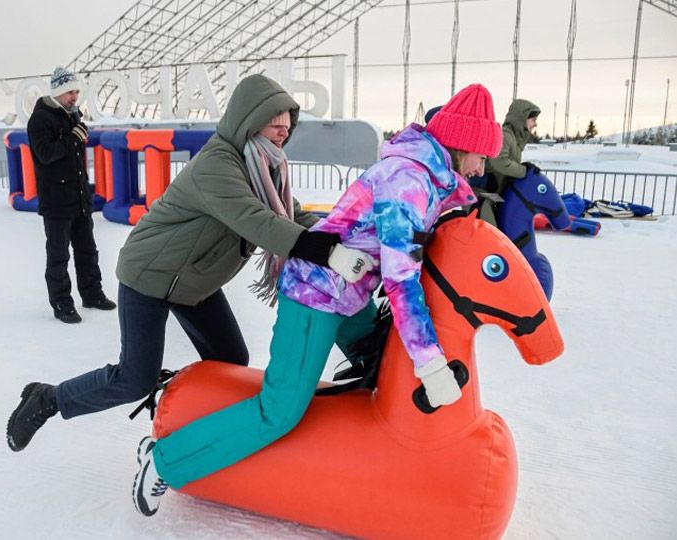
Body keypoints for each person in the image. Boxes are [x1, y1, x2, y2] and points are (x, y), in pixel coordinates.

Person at [130, 83, 503, 516]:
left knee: (378, 368)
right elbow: (402, 280)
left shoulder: (427, 179)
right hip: (317, 294)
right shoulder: (409, 182)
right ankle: (164, 462)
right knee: (280, 410)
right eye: (482, 154)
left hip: (351, 292)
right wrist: (429, 360)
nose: (482, 167)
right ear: (463, 145)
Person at [6, 74, 374, 453]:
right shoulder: (218, 163)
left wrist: (351, 238)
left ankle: (193, 424)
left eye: (287, 125)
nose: (283, 132)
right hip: (150, 274)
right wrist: (327, 252)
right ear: (248, 119)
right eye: (274, 123)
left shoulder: (266, 164)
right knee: (135, 378)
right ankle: (48, 399)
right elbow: (256, 220)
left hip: (194, 281)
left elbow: (291, 214)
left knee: (229, 359)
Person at [27, 66, 116, 324]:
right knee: (59, 255)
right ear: (56, 92)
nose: (74, 96)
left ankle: (92, 294)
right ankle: (62, 303)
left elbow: (72, 151)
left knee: (87, 249)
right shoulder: (40, 120)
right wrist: (72, 139)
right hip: (56, 202)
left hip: (78, 198)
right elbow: (45, 154)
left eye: (76, 91)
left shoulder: (71, 116)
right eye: (69, 92)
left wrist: (75, 136)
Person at [475, 98, 541, 225]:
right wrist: (525, 171)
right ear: (522, 118)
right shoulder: (505, 135)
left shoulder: (515, 140)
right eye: (533, 120)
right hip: (481, 192)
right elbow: (499, 162)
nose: (535, 124)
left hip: (493, 194)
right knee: (491, 231)